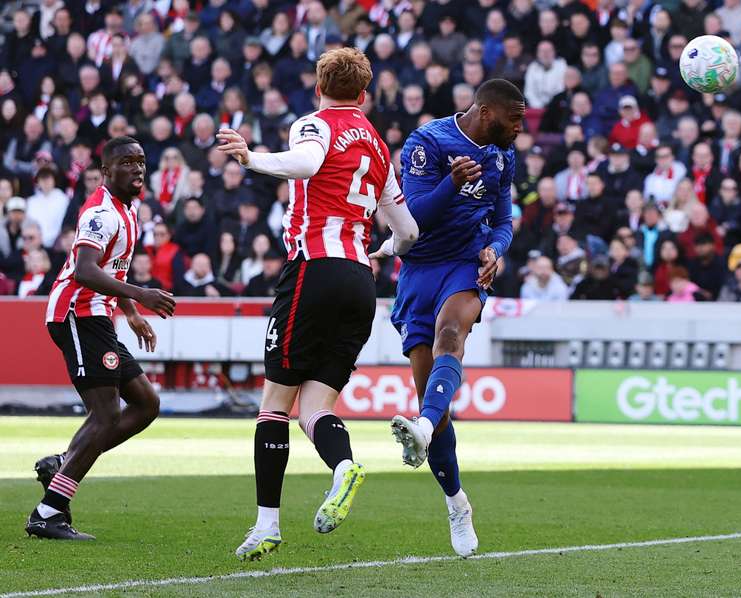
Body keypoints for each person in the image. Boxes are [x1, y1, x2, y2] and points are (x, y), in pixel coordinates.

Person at [216, 48, 418, 561]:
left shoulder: (315, 124)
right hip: (360, 281)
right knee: (314, 408)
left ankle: (266, 525)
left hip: (313, 270)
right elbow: (409, 232)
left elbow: (306, 163)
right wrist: (384, 248)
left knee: (273, 406)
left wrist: (251, 158)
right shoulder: (378, 146)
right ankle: (343, 466)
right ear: (364, 94)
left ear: (318, 88)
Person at [385, 79, 524, 557]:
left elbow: (503, 220)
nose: (519, 128)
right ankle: (457, 503)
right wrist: (453, 183)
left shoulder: (503, 156)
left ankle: (422, 429)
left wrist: (496, 250)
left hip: (465, 264)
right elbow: (414, 218)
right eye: (514, 119)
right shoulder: (428, 142)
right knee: (434, 403)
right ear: (486, 113)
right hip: (419, 270)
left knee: (451, 333)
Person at [27, 137, 176, 540]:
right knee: (106, 413)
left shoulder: (130, 210)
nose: (137, 168)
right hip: (76, 313)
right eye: (127, 162)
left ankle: (63, 462)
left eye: (141, 161)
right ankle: (48, 513)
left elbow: (114, 269)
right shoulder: (101, 213)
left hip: (98, 316)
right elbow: (86, 270)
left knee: (146, 403)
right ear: (107, 171)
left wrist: (131, 313)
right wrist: (140, 295)